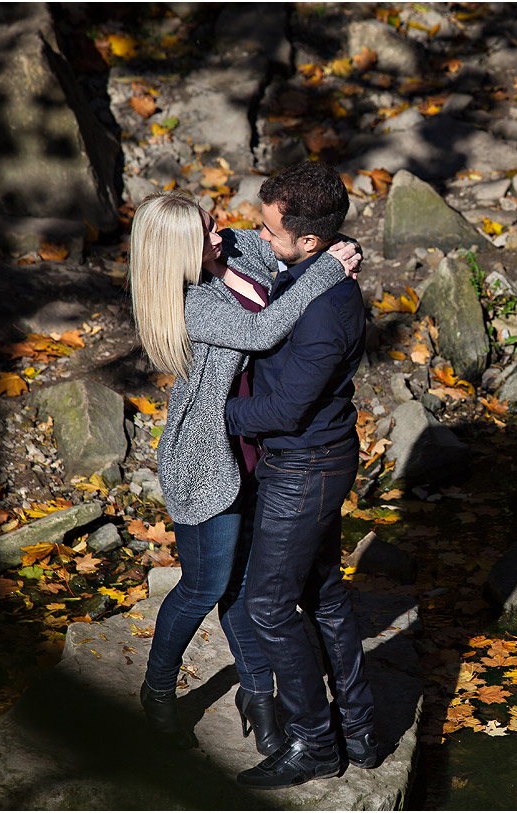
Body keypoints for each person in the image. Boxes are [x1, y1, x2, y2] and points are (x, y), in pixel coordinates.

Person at [127, 190, 361, 755]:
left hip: (259, 442)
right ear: (176, 256)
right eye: (207, 234)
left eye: (213, 224)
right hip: (207, 454)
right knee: (206, 585)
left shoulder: (231, 250)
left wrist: (330, 246)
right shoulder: (191, 301)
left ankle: (257, 693)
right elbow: (262, 331)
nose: (222, 235)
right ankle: (157, 690)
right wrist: (327, 268)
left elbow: (286, 256)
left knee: (246, 582)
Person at [222, 162, 376, 789]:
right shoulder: (314, 269)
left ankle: (315, 744)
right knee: (324, 593)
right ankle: (362, 731)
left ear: (310, 241)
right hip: (315, 460)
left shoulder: (324, 311)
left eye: (273, 233)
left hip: (306, 466)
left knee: (267, 604)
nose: (262, 239)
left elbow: (284, 412)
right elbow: (235, 246)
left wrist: (211, 409)